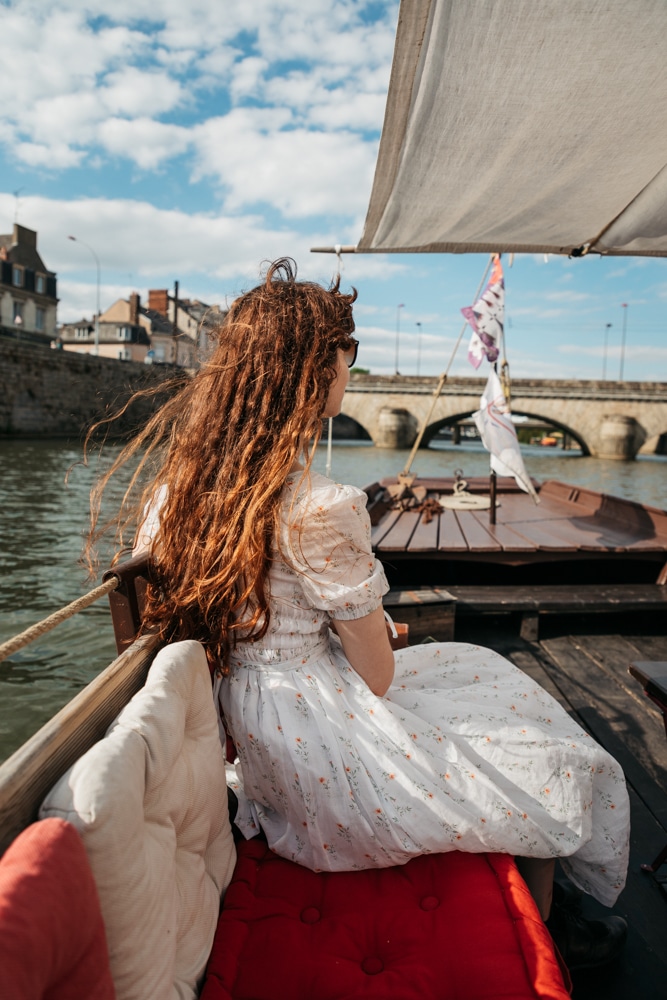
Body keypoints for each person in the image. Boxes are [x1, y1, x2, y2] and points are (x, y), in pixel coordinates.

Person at [91, 258, 630, 972]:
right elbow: (374, 675)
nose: (349, 377)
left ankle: (549, 916)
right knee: (549, 755)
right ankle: (554, 934)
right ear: (310, 376)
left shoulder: (178, 496)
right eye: (344, 362)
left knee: (479, 677)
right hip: (321, 748)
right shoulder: (320, 507)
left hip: (256, 729)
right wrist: (366, 629)